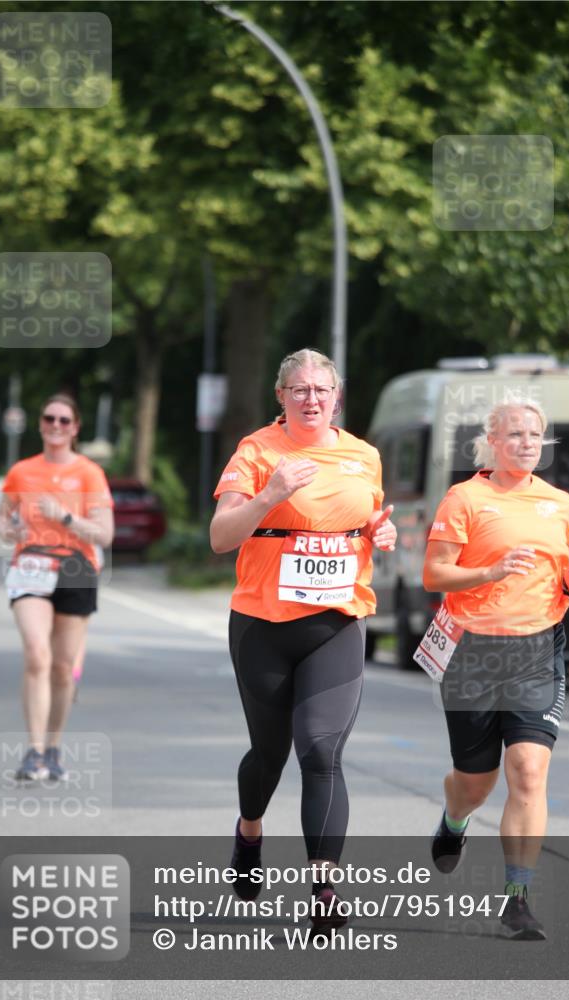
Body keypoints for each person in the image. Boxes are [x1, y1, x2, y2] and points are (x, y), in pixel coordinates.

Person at [210, 348, 396, 930]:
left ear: (336, 397)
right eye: (300, 390)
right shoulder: (257, 451)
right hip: (263, 626)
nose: (311, 399)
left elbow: (363, 519)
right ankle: (249, 834)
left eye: (321, 390)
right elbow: (219, 537)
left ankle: (324, 888)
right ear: (281, 396)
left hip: (336, 622)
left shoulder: (363, 456)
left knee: (320, 750)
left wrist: (377, 530)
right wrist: (270, 494)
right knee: (270, 755)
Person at [422, 394, 569, 940]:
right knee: (475, 783)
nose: (527, 443)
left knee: (528, 771)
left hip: (536, 652)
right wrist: (490, 570)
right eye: (515, 434)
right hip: (473, 652)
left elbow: (568, 566)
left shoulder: (558, 503)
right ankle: (455, 820)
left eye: (535, 435)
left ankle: (517, 898)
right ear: (491, 441)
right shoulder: (465, 497)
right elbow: (434, 575)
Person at [0, 394, 114, 781]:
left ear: (76, 427)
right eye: (50, 418)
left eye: (65, 420)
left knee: (63, 669)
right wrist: (10, 529)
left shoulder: (88, 473)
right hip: (30, 564)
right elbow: (1, 520)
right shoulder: (21, 471)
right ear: (40, 423)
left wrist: (63, 516)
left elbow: (105, 533)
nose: (56, 426)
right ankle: (32, 751)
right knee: (36, 653)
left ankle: (52, 748)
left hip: (76, 568)